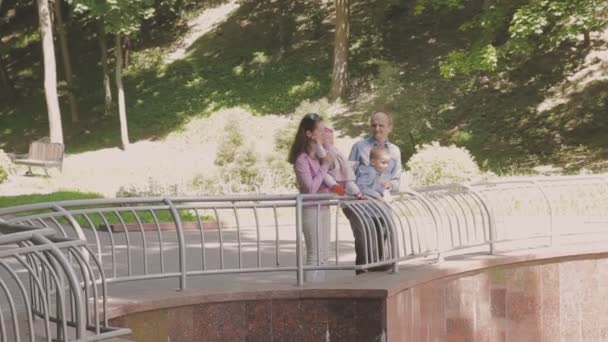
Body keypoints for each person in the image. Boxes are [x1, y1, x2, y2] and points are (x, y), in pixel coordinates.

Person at [345, 111, 402, 274]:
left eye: (381, 125)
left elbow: (397, 180)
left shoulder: (395, 151)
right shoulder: (359, 147)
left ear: (389, 127)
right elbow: (348, 174)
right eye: (374, 125)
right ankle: (362, 276)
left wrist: (390, 184)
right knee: (364, 237)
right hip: (361, 204)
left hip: (381, 204)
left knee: (381, 236)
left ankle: (376, 273)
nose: (377, 128)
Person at [288, 113, 334, 282]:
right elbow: (310, 189)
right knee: (314, 254)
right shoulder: (302, 159)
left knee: (324, 254)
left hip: (324, 207)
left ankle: (321, 287)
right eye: (320, 131)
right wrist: (325, 166)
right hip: (311, 209)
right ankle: (311, 289)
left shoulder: (320, 156)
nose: (324, 134)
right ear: (309, 134)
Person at [315, 127, 363, 198]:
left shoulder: (335, 150)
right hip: (328, 169)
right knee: (325, 176)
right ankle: (335, 187)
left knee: (348, 181)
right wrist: (318, 144)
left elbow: (344, 161)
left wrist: (351, 164)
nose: (330, 141)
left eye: (331, 139)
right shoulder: (322, 150)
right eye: (327, 139)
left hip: (340, 168)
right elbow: (321, 154)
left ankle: (358, 194)